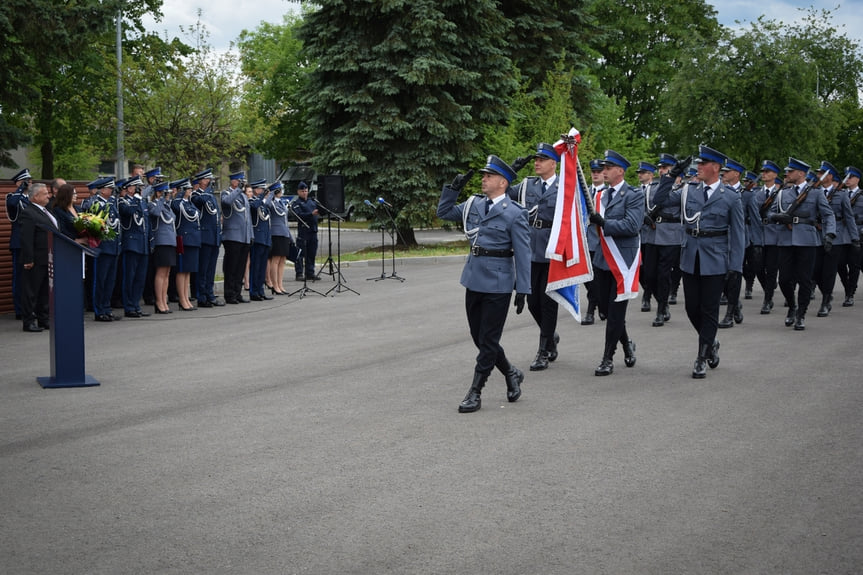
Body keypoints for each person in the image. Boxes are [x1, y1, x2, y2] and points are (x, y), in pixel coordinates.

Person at [437, 155, 530, 413]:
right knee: (479, 337)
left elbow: (523, 253)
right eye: (483, 175)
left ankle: (475, 391)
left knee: (488, 339)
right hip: (474, 278)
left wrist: (523, 289)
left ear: (502, 182)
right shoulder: (473, 205)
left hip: (499, 283)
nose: (483, 179)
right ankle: (511, 372)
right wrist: (452, 189)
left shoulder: (515, 213)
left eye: (488, 176)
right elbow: (443, 212)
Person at [653, 146, 745, 378]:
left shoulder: (731, 198)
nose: (699, 167)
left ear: (715, 167)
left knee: (710, 308)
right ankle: (711, 342)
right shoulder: (688, 191)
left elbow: (738, 234)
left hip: (715, 257)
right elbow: (659, 200)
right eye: (698, 164)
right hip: (690, 255)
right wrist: (672, 174)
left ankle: (701, 356)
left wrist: (735, 267)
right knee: (691, 307)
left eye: (704, 164)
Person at [588, 150, 643, 376]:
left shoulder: (634, 195)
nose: (604, 172)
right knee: (605, 309)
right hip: (603, 259)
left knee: (616, 311)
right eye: (603, 168)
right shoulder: (601, 196)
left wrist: (604, 222)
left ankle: (607, 358)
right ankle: (627, 343)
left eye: (608, 168)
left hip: (623, 262)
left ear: (620, 171)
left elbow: (632, 226)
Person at [508, 143, 561, 371]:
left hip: (552, 251)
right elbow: (503, 191)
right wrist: (510, 172)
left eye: (542, 160)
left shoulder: (565, 186)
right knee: (532, 302)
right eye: (535, 160)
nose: (536, 163)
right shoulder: (528, 184)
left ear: (553, 163)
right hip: (530, 249)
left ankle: (543, 351)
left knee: (548, 303)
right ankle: (550, 337)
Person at [769, 158, 836, 330]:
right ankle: (792, 307)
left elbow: (828, 215)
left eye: (790, 171)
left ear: (801, 173)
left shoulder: (815, 193)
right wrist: (777, 217)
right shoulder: (783, 193)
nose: (787, 174)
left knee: (805, 280)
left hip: (807, 240)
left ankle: (801, 315)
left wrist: (829, 234)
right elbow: (770, 213)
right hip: (785, 240)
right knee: (784, 280)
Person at [718, 158, 761, 328]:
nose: (724, 174)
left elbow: (756, 220)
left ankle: (729, 314)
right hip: (720, 240)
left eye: (727, 171)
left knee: (734, 276)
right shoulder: (718, 191)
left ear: (736, 174)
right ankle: (735, 306)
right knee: (722, 278)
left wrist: (757, 244)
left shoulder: (747, 195)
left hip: (739, 240)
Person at [811, 161, 859, 317]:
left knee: (829, 271)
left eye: (821, 173)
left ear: (829, 176)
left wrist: (854, 238)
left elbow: (849, 217)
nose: (818, 176)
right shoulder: (813, 192)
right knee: (815, 270)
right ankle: (826, 293)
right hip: (816, 236)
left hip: (836, 237)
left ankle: (825, 301)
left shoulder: (841, 195)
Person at [643, 153, 683, 327]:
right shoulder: (651, 188)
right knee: (648, 274)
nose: (661, 171)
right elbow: (643, 206)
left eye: (665, 168)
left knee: (663, 274)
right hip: (652, 234)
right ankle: (662, 301)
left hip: (670, 235)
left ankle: (661, 309)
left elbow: (666, 201)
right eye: (660, 168)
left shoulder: (682, 189)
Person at [18, 183, 59, 332]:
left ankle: (43, 319)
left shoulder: (45, 211)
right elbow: (26, 238)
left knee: (44, 291)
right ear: (35, 197)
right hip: (35, 259)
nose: (48, 196)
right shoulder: (28, 213)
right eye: (45, 194)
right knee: (31, 291)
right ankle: (28, 321)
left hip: (47, 257)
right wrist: (29, 259)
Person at [82, 177, 122, 322]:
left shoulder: (111, 203)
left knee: (110, 281)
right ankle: (99, 310)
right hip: (102, 248)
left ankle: (106, 308)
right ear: (103, 189)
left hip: (113, 247)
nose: (112, 191)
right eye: (110, 189)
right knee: (100, 280)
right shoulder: (95, 203)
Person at [117, 176, 150, 317]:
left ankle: (136, 304)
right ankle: (129, 306)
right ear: (130, 188)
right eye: (138, 187)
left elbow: (146, 221)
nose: (140, 189)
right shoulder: (122, 201)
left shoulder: (141, 202)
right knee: (129, 277)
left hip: (142, 244)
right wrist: (136, 199)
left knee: (140, 277)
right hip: (131, 243)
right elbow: (129, 213)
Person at [190, 169, 224, 307]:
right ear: (201, 180)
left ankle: (209, 294)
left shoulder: (210, 195)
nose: (210, 182)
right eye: (207, 179)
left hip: (214, 236)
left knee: (211, 269)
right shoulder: (196, 195)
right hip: (205, 236)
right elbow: (199, 202)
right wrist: (206, 190)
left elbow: (216, 214)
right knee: (203, 269)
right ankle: (201, 296)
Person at [754, 160, 783, 314]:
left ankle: (767, 299)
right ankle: (768, 289)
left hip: (774, 234)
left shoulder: (780, 193)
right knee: (757, 267)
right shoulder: (756, 193)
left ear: (774, 175)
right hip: (759, 234)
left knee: (771, 269)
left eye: (767, 172)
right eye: (763, 171)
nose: (764, 174)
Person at [221, 171, 253, 304]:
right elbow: (227, 202)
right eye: (239, 180)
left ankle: (237, 292)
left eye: (242, 181)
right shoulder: (226, 193)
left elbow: (248, 218)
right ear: (233, 181)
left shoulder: (244, 196)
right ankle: (229, 294)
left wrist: (251, 235)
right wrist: (238, 189)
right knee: (231, 267)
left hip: (244, 236)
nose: (241, 183)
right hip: (232, 236)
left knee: (240, 266)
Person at [581, 159, 606, 325]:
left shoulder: (608, 193)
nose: (596, 174)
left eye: (599, 171)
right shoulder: (584, 192)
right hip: (586, 241)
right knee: (586, 277)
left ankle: (591, 310)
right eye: (593, 171)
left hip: (602, 241)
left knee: (596, 277)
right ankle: (601, 303)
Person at [171, 178, 201, 311]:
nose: (190, 191)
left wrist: (186, 199)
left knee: (188, 271)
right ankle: (182, 299)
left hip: (193, 240)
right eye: (187, 189)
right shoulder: (178, 203)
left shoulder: (189, 203)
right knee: (182, 270)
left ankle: (186, 297)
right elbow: (175, 207)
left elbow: (197, 214)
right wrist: (179, 195)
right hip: (184, 240)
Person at [7, 168, 32, 319]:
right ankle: (20, 309)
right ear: (19, 182)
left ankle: (30, 308)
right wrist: (20, 188)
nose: (30, 183)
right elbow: (12, 204)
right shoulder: (12, 196)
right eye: (27, 181)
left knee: (30, 279)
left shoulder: (30, 198)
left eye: (29, 181)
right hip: (19, 242)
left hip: (31, 242)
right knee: (20, 278)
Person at [148, 181, 177, 314]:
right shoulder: (153, 204)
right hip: (161, 242)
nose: (167, 195)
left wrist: (166, 200)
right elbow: (156, 214)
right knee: (160, 273)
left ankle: (164, 300)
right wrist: (159, 198)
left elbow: (173, 218)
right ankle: (158, 301)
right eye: (164, 192)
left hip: (170, 241)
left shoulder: (166, 205)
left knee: (167, 273)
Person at [636, 161, 658, 314]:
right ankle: (649, 292)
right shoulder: (636, 191)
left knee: (650, 269)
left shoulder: (656, 190)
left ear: (651, 174)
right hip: (638, 234)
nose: (640, 175)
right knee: (640, 268)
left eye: (643, 172)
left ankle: (647, 296)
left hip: (651, 233)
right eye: (639, 172)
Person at [266, 180, 294, 295]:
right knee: (275, 259)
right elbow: (266, 205)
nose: (281, 191)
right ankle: (274, 285)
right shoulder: (272, 203)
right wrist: (271, 194)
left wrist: (290, 236)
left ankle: (280, 284)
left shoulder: (282, 203)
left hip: (284, 233)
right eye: (279, 189)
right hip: (276, 234)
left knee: (282, 260)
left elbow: (285, 220)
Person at [248, 179, 273, 301]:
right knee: (256, 266)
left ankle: (260, 290)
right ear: (256, 190)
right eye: (262, 189)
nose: (264, 191)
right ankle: (254, 291)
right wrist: (262, 196)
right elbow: (253, 207)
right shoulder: (252, 201)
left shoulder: (263, 203)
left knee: (262, 267)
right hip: (257, 238)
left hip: (265, 238)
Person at [292, 181, 319, 281]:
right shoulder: (296, 203)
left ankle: (310, 272)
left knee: (312, 253)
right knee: (301, 253)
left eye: (306, 191)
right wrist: (311, 214)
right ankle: (299, 273)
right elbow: (299, 215)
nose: (304, 193)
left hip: (313, 230)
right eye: (302, 191)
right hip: (304, 231)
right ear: (298, 192)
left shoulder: (312, 202)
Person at [844, 166, 863, 305]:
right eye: (846, 177)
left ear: (857, 179)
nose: (847, 180)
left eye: (850, 177)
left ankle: (850, 293)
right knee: (839, 264)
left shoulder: (861, 196)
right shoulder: (840, 195)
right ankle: (848, 287)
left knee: (854, 265)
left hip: (858, 233)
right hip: (842, 234)